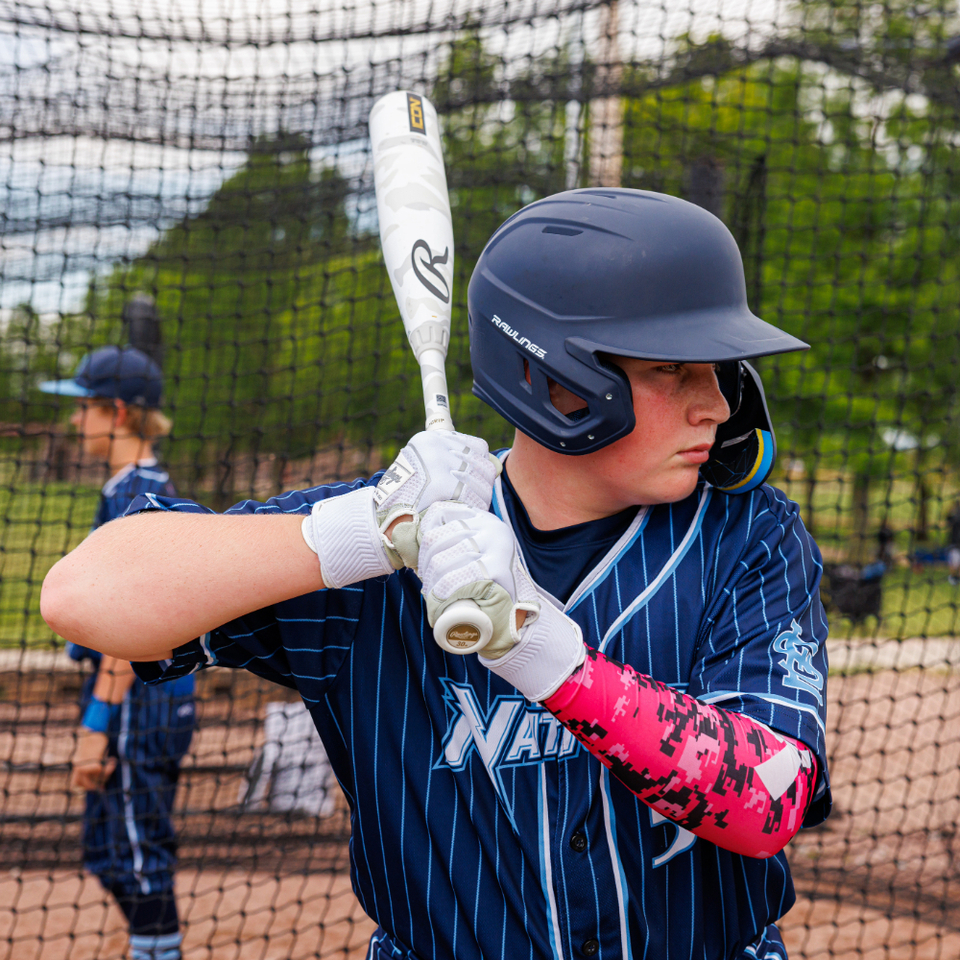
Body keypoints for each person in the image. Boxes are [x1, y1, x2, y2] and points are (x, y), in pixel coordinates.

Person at [41, 190, 831, 960]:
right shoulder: (391, 533)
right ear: (557, 379)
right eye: (674, 370)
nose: (717, 408)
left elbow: (770, 798)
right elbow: (85, 596)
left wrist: (543, 653)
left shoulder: (748, 534)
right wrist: (364, 532)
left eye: (718, 370)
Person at [40, 346, 195, 960]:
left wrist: (95, 726)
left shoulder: (136, 493)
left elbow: (126, 634)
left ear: (120, 413)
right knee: (108, 854)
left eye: (85, 407)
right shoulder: (132, 487)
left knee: (135, 857)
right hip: (146, 702)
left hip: (136, 705)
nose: (76, 421)